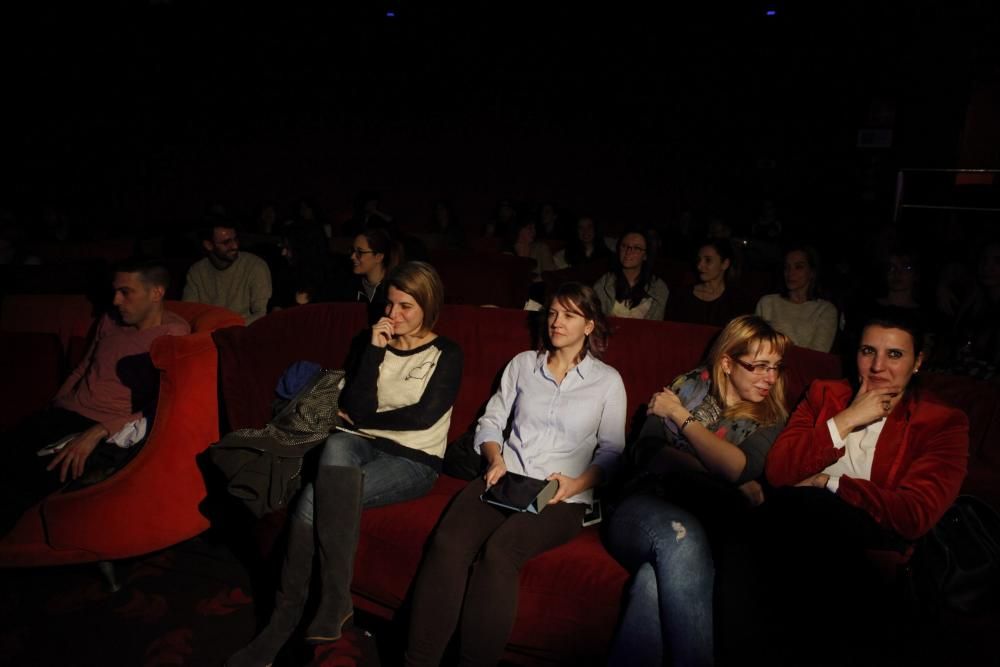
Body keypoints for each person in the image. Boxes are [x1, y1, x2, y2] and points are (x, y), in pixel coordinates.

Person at [227, 262, 463, 667]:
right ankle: (333, 603)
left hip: (415, 459)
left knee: (310, 500)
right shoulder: (373, 341)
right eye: (389, 304)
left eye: (406, 306)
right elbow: (352, 406)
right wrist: (374, 350)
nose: (394, 315)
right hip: (359, 444)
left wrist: (361, 420)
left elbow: (421, 416)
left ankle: (286, 621)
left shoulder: (447, 353)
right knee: (337, 444)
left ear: (429, 305)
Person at [405, 282, 627, 667]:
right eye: (553, 313)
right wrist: (495, 458)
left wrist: (576, 484)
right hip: (506, 477)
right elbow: (491, 421)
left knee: (500, 553)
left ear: (589, 326)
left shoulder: (607, 381)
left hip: (560, 493)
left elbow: (613, 452)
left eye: (570, 315)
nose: (557, 322)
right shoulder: (524, 364)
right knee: (448, 542)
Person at [737, 306, 968, 664]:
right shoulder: (824, 395)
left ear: (917, 361)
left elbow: (914, 515)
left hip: (870, 536)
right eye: (867, 351)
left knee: (795, 511)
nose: (878, 367)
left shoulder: (942, 422)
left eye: (894, 354)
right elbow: (780, 472)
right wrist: (845, 421)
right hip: (799, 527)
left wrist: (829, 482)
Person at [604, 315, 790, 667]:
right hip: (640, 506)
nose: (770, 378)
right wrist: (722, 474)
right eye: (758, 366)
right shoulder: (687, 386)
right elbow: (648, 453)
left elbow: (737, 466)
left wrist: (680, 418)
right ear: (726, 363)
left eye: (776, 368)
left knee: (651, 584)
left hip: (704, 524)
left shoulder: (772, 418)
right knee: (681, 537)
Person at [0, 259, 190, 535]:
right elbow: (85, 366)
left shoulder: (173, 335)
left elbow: (163, 404)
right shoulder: (110, 320)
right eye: (115, 291)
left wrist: (99, 431)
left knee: (28, 480)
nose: (115, 300)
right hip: (63, 413)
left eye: (126, 292)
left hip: (103, 425)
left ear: (156, 293)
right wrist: (58, 400)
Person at [183, 221, 272, 324]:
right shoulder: (197, 271)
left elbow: (262, 314)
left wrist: (228, 329)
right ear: (208, 245)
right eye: (226, 242)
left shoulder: (255, 266)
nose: (234, 246)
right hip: (207, 332)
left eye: (235, 239)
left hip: (243, 331)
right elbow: (188, 313)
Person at [754, 245, 838, 352]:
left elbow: (817, 354)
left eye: (798, 267)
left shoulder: (825, 310)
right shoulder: (768, 303)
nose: (790, 273)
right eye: (787, 267)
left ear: (812, 272)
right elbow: (757, 346)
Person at [666, 239, 754, 327]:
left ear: (725, 264)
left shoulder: (738, 301)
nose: (699, 266)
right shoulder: (681, 296)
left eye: (708, 260)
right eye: (698, 260)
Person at [593, 230, 669, 320]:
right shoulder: (604, 284)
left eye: (636, 248)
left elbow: (657, 325)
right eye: (624, 246)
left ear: (645, 255)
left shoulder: (658, 288)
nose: (628, 251)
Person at [340, 228, 400, 325]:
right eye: (352, 251)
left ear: (378, 257)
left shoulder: (394, 289)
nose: (352, 256)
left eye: (360, 252)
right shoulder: (348, 286)